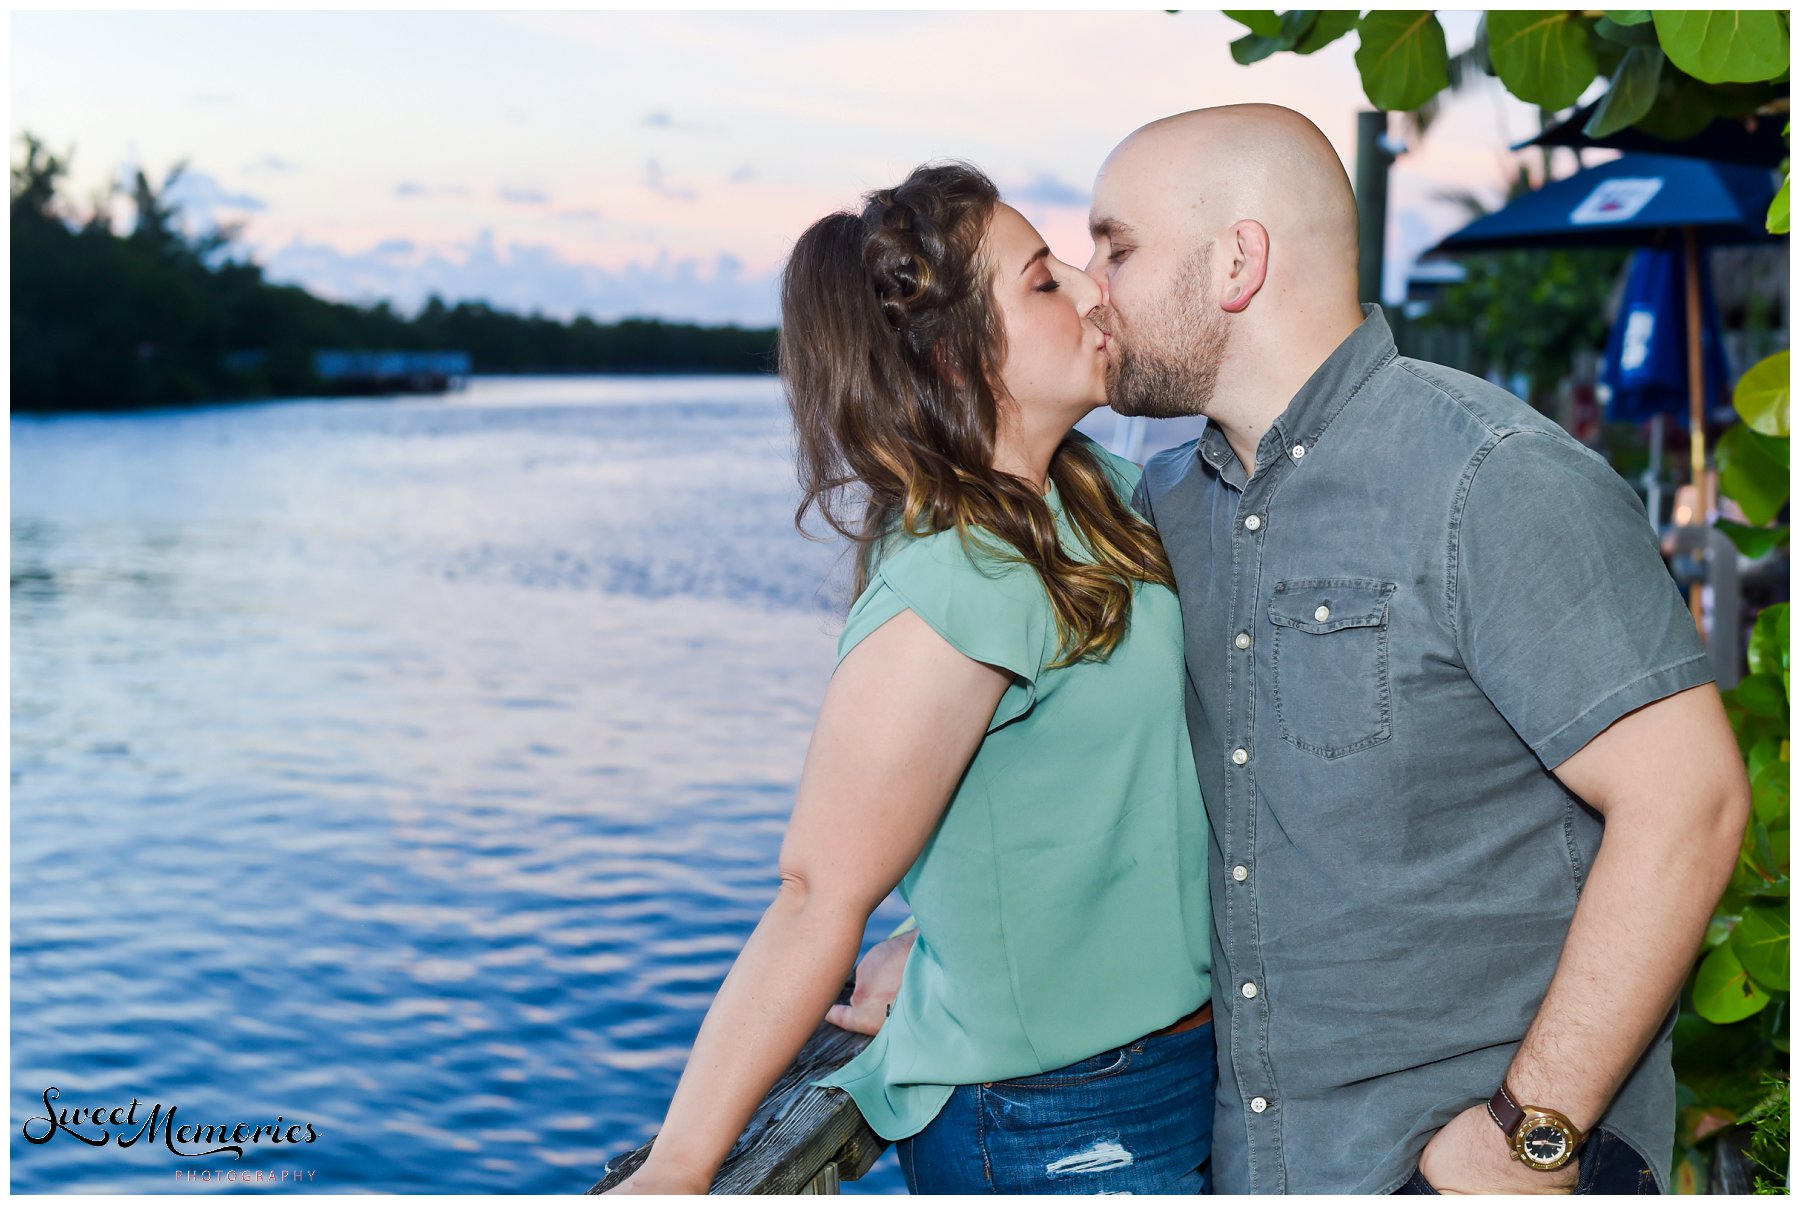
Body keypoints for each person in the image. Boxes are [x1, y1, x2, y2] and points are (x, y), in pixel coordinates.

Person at [849, 106, 1752, 1195]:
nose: (1092, 287)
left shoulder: (1492, 480)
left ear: (1238, 259)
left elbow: (1690, 801)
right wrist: (966, 951)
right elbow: (1114, 786)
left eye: (1118, 248)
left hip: (1474, 1160)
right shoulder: (1163, 508)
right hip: (1258, 1159)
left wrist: (1528, 1137)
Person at [604, 161, 1214, 1196]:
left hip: (1178, 1068)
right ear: (956, 357)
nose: (1090, 286)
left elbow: (1063, 794)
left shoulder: (1096, 491)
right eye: (1042, 280)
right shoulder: (956, 580)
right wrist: (679, 1167)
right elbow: (814, 893)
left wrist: (935, 933)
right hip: (1056, 1119)